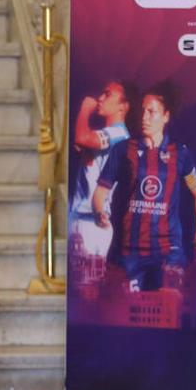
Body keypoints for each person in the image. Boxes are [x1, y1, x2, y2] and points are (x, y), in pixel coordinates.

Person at [93, 82, 196, 292]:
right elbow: (101, 191)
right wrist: (99, 211)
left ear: (166, 116)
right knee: (125, 314)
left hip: (169, 252)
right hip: (130, 252)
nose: (144, 117)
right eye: (143, 111)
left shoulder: (180, 153)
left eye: (152, 112)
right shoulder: (123, 149)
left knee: (168, 311)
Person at [69, 81, 134, 260]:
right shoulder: (110, 133)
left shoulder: (119, 135)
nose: (100, 98)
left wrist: (84, 109)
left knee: (86, 281)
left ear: (123, 106)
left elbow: (82, 137)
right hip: (81, 217)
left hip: (93, 221)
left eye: (107, 94)